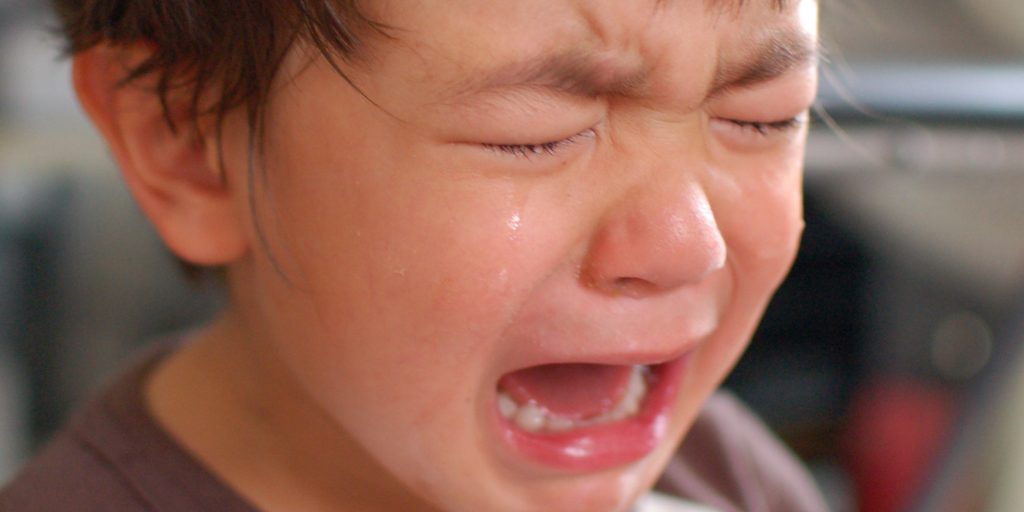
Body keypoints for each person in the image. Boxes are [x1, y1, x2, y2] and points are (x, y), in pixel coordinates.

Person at [1, 0, 827, 510]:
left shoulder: (723, 474)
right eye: (536, 134)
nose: (689, 246)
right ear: (186, 147)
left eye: (763, 117)